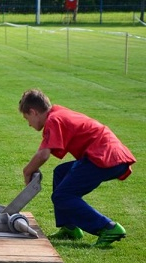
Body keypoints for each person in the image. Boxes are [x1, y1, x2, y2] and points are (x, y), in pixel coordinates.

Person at [18, 89, 136, 247]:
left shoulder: (54, 120)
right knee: (60, 173)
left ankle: (108, 227)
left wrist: (27, 171)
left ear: (33, 112)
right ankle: (70, 227)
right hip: (107, 154)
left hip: (103, 157)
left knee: (62, 196)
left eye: (27, 118)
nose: (29, 124)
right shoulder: (57, 113)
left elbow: (43, 155)